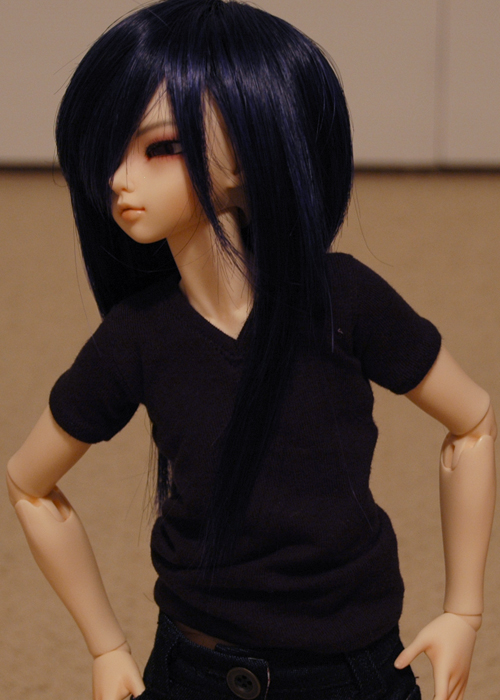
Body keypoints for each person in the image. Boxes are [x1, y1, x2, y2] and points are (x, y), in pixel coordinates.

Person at [6, 1, 496, 699]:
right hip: (196, 667)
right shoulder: (139, 337)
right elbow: (28, 482)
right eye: (109, 152)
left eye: (158, 147)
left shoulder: (342, 299)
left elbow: (472, 423)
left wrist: (463, 611)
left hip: (351, 667)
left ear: (246, 153)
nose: (118, 178)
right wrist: (105, 645)